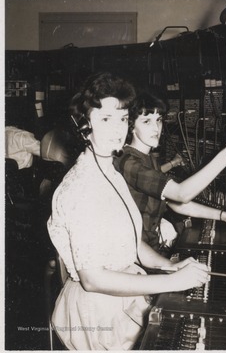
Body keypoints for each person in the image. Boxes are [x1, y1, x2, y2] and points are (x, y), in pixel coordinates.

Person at [47, 72, 210, 350]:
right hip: (95, 320)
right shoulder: (80, 188)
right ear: (84, 126)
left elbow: (132, 243)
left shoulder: (111, 170)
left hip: (124, 300)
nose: (118, 129)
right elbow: (93, 279)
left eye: (122, 119)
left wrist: (169, 266)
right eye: (106, 119)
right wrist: (171, 282)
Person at [116, 91, 226, 252]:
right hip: (135, 253)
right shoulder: (128, 161)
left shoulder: (149, 158)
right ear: (131, 126)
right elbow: (181, 194)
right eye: (146, 121)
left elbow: (176, 203)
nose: (156, 128)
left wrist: (224, 215)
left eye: (158, 120)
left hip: (151, 246)